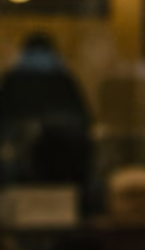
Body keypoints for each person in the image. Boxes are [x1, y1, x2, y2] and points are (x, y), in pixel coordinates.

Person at [0, 33, 92, 188]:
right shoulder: (63, 77)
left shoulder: (14, 77)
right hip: (64, 169)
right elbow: (83, 119)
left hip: (20, 168)